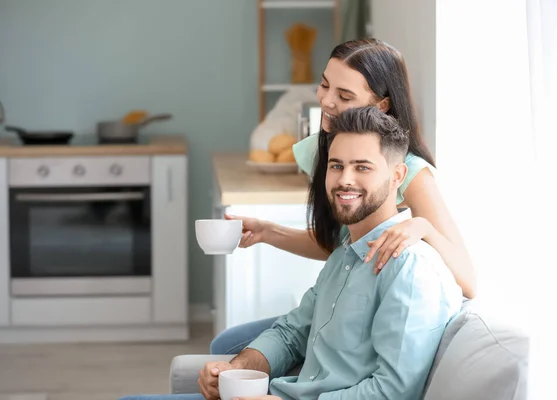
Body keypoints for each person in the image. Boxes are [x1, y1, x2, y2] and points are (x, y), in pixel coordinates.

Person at [118, 107, 463, 400]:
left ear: (397, 176)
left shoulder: (410, 269)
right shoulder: (346, 253)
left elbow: (392, 393)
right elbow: (291, 332)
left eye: (363, 167)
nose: (345, 180)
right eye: (336, 165)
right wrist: (235, 369)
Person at [211, 37, 475, 356]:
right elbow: (340, 244)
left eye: (344, 95)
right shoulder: (323, 148)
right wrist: (268, 232)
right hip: (340, 298)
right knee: (226, 344)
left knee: (229, 347)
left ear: (382, 106)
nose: (327, 101)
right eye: (324, 85)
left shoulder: (409, 170)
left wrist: (422, 228)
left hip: (370, 314)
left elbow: (468, 281)